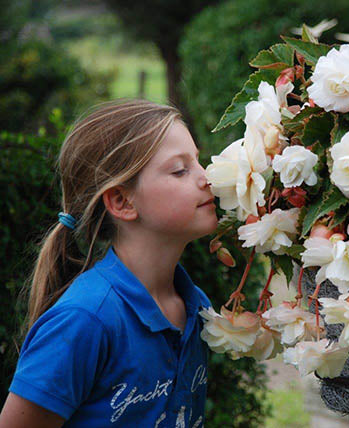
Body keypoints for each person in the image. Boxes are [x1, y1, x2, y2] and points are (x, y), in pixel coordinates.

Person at [0, 99, 219, 427]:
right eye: (180, 170)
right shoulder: (85, 321)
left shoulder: (196, 307)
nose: (206, 178)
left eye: (198, 163)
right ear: (122, 201)